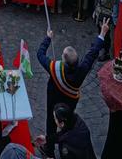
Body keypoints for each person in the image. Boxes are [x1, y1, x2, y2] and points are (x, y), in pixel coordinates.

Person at [37, 19, 109, 157]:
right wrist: (102, 34)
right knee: (68, 122)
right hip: (70, 102)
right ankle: (63, 140)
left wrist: (48, 38)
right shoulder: (81, 70)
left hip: (53, 99)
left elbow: (40, 55)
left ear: (63, 60)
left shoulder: (54, 68)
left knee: (51, 122)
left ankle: (49, 148)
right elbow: (92, 53)